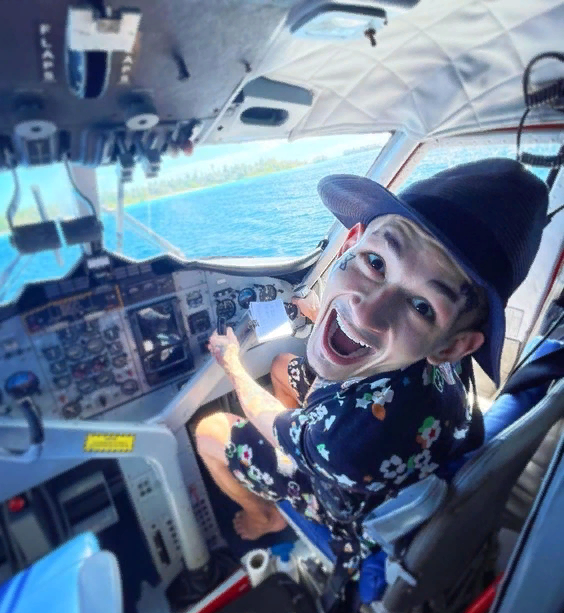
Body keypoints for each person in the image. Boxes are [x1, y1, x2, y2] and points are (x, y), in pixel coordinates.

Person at [194, 159, 549, 565]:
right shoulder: (438, 357)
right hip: (405, 447)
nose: (364, 314)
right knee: (280, 365)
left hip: (345, 506)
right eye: (375, 263)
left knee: (211, 430)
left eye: (421, 306)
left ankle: (266, 515)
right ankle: (305, 441)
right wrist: (323, 312)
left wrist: (232, 363)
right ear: (349, 246)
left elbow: (274, 423)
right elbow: (374, 334)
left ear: (455, 345)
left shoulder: (348, 444)